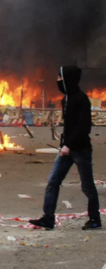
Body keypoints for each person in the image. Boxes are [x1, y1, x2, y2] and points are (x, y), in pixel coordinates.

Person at [30, 66, 101, 230]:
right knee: (53, 182)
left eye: (60, 78)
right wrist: (64, 144)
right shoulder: (66, 99)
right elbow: (69, 127)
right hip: (66, 149)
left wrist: (69, 145)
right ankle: (48, 218)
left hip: (81, 150)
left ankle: (95, 220)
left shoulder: (81, 99)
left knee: (87, 186)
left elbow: (84, 128)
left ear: (68, 79)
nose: (57, 81)